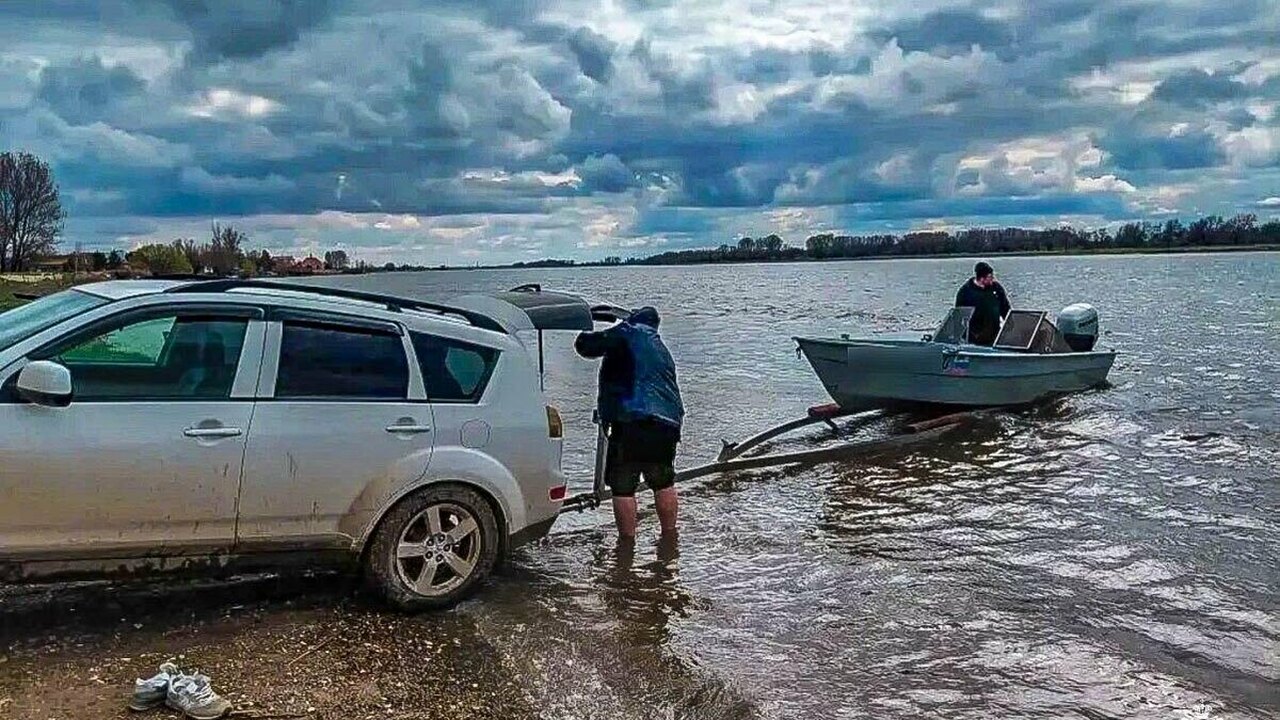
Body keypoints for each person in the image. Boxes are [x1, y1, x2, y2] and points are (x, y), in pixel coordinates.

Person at [575, 306, 684, 539]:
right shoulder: (659, 347)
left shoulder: (629, 332)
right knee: (663, 481)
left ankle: (626, 543)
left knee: (623, 486)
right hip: (667, 423)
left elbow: (586, 346)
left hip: (633, 419)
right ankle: (669, 536)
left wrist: (585, 321)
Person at [955, 261, 1011, 345]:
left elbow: (1005, 309)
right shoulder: (965, 292)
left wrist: (1010, 325)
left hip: (994, 334)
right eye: (990, 277)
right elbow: (959, 317)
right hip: (974, 338)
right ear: (982, 278)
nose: (992, 279)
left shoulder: (996, 288)